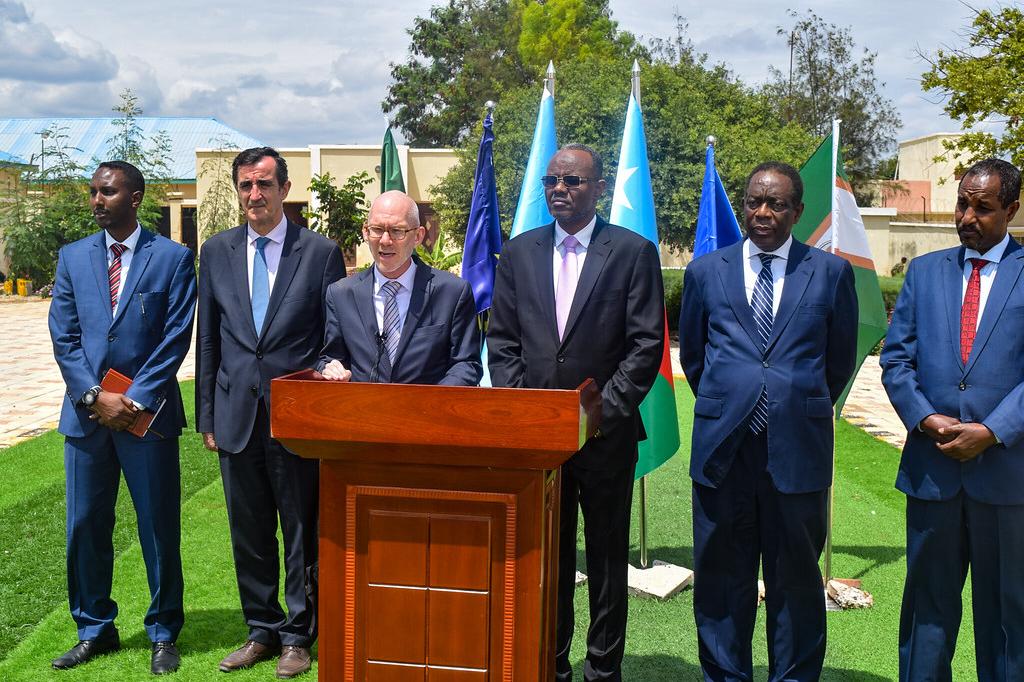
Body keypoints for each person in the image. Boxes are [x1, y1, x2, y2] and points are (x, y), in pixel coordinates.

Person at [487, 143, 664, 681]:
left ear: (599, 188)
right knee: (549, 559)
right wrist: (533, 414)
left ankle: (602, 670)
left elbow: (645, 345)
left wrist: (597, 415)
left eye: (572, 181)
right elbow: (503, 342)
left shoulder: (631, 252)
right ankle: (552, 664)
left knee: (606, 560)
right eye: (551, 181)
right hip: (539, 440)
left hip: (605, 437)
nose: (559, 189)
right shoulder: (519, 253)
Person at [680, 161, 858, 681]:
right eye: (754, 201)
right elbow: (695, 358)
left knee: (796, 582)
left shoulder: (830, 273)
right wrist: (734, 400)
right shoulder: (705, 272)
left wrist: (789, 402)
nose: (762, 212)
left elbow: (838, 362)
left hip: (797, 452)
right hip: (723, 453)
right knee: (721, 579)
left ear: (797, 212)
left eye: (776, 204)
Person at [196, 147, 344, 679]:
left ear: (284, 188)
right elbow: (208, 340)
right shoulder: (216, 251)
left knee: (300, 528)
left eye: (263, 184)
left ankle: (298, 636)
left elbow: (331, 338)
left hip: (295, 418)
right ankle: (261, 629)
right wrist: (207, 417)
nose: (254, 194)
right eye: (245, 185)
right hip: (235, 415)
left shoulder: (320, 253)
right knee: (249, 531)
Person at [48, 160, 196, 675]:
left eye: (107, 192)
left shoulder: (173, 258)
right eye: (93, 191)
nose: (96, 200)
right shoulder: (72, 257)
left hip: (147, 419)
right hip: (86, 420)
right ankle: (94, 628)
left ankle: (163, 632)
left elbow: (175, 336)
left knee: (158, 526)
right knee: (85, 525)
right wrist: (94, 397)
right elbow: (64, 335)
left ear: (135, 198)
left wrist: (132, 401)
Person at [880, 158, 1024, 682]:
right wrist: (925, 419)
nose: (967, 217)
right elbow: (896, 360)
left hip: (1006, 478)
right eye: (963, 203)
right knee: (927, 609)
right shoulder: (925, 272)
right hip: (932, 472)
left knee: (1007, 614)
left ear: (1011, 209)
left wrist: (991, 431)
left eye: (982, 208)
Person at [317, 190, 481, 385]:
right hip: (363, 404)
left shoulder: (452, 293)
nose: (385, 240)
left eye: (397, 231)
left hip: (429, 404)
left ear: (418, 236)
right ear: (365, 232)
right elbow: (331, 358)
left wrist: (433, 399)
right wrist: (331, 370)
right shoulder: (340, 294)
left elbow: (466, 364)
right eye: (377, 229)